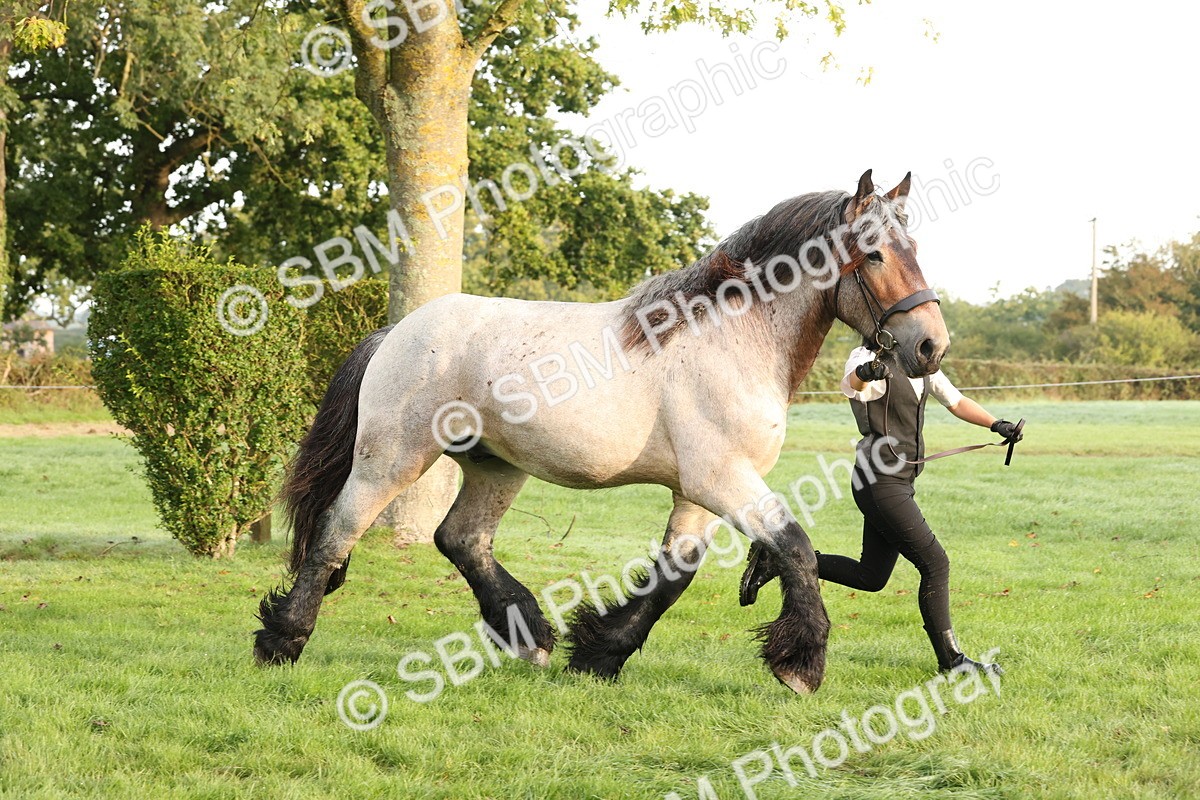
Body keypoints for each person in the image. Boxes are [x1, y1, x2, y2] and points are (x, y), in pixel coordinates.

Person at [740, 342, 1023, 674]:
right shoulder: (866, 357)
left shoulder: (919, 360)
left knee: (870, 577)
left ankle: (783, 557)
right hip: (879, 483)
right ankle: (953, 661)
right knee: (936, 564)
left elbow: (956, 401)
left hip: (899, 482)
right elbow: (854, 386)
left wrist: (996, 424)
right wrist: (865, 373)